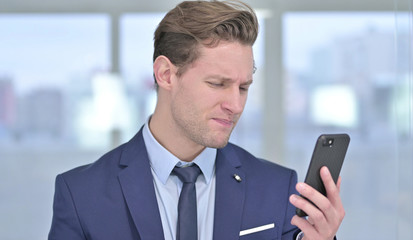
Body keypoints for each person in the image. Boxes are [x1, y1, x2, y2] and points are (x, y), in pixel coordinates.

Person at [48, 1, 345, 239]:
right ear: (166, 75)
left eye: (243, 87)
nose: (235, 104)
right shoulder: (81, 195)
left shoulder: (279, 189)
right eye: (217, 84)